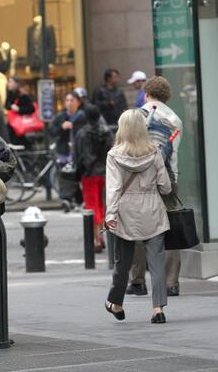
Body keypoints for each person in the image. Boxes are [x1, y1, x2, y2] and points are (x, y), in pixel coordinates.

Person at [104, 109, 171, 324]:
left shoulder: (114, 155)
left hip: (126, 212)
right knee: (157, 262)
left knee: (122, 262)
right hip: (153, 209)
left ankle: (116, 303)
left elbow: (114, 188)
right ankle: (157, 309)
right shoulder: (155, 152)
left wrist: (110, 214)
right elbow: (166, 187)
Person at [126, 76, 184, 297]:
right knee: (170, 227)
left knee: (137, 227)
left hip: (140, 180)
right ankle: (171, 283)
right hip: (168, 178)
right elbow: (173, 152)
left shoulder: (136, 116)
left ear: (147, 93)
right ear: (166, 96)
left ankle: (138, 281)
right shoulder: (174, 119)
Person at [74, 104, 114, 252]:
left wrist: (78, 176)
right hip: (105, 173)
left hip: (89, 174)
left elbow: (79, 157)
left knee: (91, 205)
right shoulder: (107, 132)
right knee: (102, 204)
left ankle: (97, 239)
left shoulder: (82, 133)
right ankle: (102, 236)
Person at [49, 92, 86, 212]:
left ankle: (77, 200)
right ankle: (67, 199)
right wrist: (61, 127)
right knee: (65, 176)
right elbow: (52, 132)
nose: (69, 103)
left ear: (78, 102)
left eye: (72, 100)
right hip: (64, 151)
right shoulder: (60, 116)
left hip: (78, 152)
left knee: (75, 177)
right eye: (67, 100)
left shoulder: (82, 116)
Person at [5, 76, 36, 145]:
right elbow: (7, 106)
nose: (8, 84)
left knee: (22, 145)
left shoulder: (23, 95)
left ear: (16, 84)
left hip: (22, 125)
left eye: (10, 82)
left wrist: (19, 109)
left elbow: (32, 109)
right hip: (13, 124)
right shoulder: (10, 94)